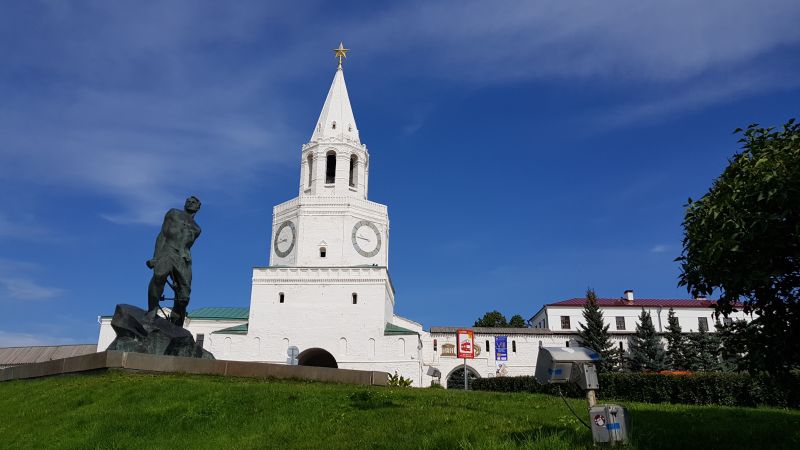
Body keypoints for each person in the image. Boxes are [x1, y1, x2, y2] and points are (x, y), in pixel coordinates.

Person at [146, 196, 202, 326]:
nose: (190, 203)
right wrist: (156, 257)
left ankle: (176, 324)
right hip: (168, 251)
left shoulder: (197, 229)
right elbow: (162, 235)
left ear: (198, 207)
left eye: (194, 202)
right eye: (188, 200)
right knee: (159, 276)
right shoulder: (173, 214)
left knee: (184, 297)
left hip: (184, 258)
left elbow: (187, 244)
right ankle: (152, 311)